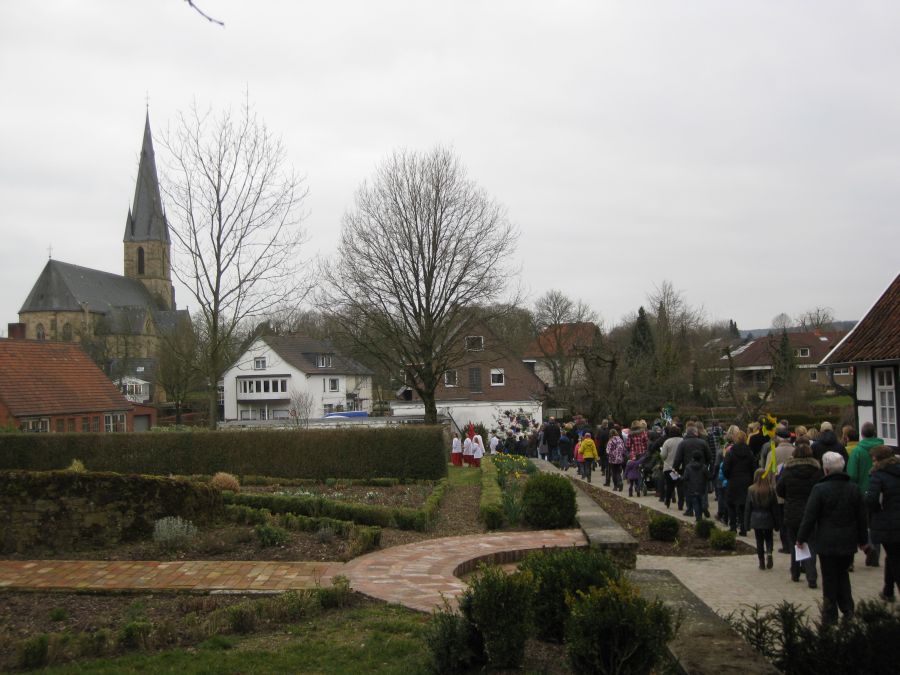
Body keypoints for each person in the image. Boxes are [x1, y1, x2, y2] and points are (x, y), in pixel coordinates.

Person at [797, 452, 869, 624]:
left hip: (827, 540)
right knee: (843, 574)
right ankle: (848, 609)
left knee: (829, 577)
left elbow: (810, 516)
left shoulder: (820, 489)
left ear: (826, 469)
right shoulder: (853, 488)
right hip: (848, 539)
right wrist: (863, 540)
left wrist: (801, 538)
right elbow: (861, 517)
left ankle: (830, 615)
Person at [776, 442, 823, 587]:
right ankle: (811, 575)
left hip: (792, 510)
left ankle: (795, 572)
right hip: (811, 510)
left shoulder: (788, 470)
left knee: (794, 542)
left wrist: (789, 497)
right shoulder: (816, 470)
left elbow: (780, 489)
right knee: (811, 542)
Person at [847, 421, 886, 567]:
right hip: (882, 493)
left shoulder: (857, 451)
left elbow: (852, 475)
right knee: (875, 524)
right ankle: (875, 554)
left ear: (862, 434)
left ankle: (867, 546)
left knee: (860, 523)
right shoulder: (884, 449)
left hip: (862, 492)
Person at [865, 445, 900, 602]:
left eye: (873, 460)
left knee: (894, 558)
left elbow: (872, 500)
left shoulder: (878, 476)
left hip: (888, 522)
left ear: (878, 460)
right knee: (892, 556)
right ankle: (888, 589)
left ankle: (891, 590)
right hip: (893, 520)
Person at [745, 468, 780, 570]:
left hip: (756, 518)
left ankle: (761, 561)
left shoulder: (751, 490)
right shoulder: (771, 489)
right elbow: (775, 508)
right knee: (769, 538)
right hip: (768, 517)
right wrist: (777, 523)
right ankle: (769, 552)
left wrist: (746, 523)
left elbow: (748, 508)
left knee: (759, 540)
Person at [673, 424, 712, 517]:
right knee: (703, 489)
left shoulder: (682, 443)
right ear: (695, 432)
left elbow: (678, 458)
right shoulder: (703, 442)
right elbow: (709, 457)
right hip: (702, 469)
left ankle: (690, 509)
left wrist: (675, 469)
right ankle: (704, 506)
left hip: (688, 469)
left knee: (689, 491)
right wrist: (706, 465)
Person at [723, 430, 756, 536]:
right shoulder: (750, 453)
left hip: (733, 480)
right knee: (743, 506)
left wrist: (728, 477)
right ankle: (743, 527)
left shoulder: (731, 452)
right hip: (746, 481)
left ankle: (733, 526)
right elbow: (753, 468)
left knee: (731, 504)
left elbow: (726, 468)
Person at [683, 450, 710, 524]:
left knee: (695, 503)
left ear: (692, 458)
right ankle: (704, 508)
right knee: (702, 501)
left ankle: (698, 518)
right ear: (701, 458)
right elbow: (708, 476)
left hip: (692, 488)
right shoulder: (704, 467)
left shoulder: (688, 467)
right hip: (702, 487)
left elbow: (685, 477)